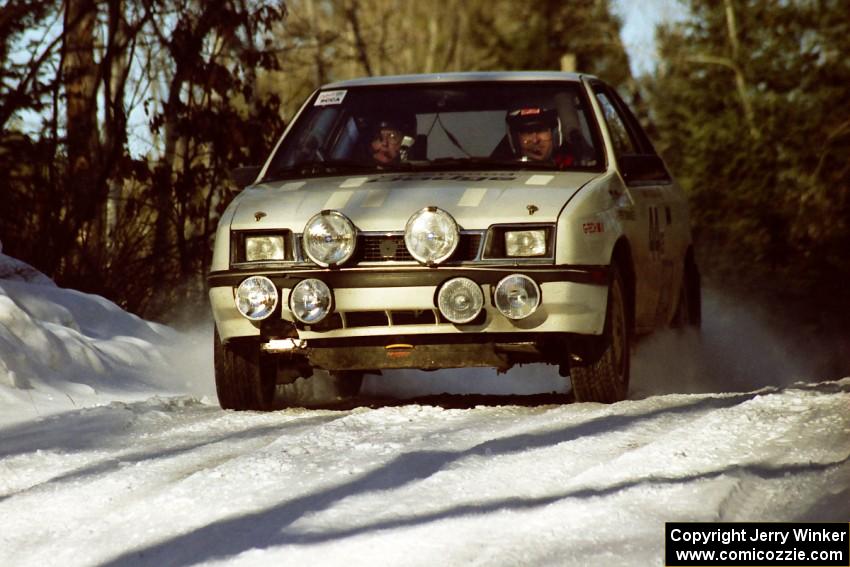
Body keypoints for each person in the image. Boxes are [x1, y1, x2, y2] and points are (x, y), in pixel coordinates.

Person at [505, 107, 574, 168]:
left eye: (541, 130)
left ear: (555, 135)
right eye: (527, 132)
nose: (535, 140)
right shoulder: (501, 167)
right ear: (516, 140)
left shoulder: (573, 166)